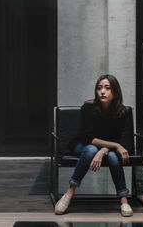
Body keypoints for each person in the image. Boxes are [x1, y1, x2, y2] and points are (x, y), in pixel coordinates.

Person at [55, 74, 133, 217]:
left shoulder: (122, 111)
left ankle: (124, 200)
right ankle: (70, 192)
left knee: (113, 158)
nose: (102, 91)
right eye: (99, 88)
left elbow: (116, 138)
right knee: (91, 149)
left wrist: (103, 150)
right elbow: (87, 138)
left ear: (115, 91)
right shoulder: (88, 107)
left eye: (107, 88)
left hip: (106, 150)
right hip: (82, 145)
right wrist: (115, 145)